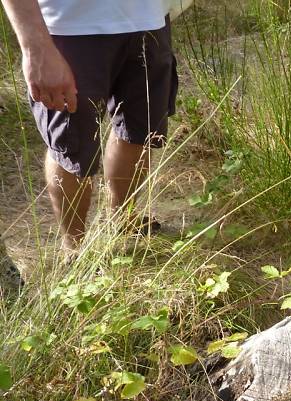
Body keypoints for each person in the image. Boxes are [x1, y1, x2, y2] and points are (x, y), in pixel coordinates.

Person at [0, 0, 177, 254]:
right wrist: (35, 47)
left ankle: (122, 220)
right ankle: (75, 249)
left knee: (141, 131)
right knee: (71, 146)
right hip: (68, 28)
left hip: (150, 20)